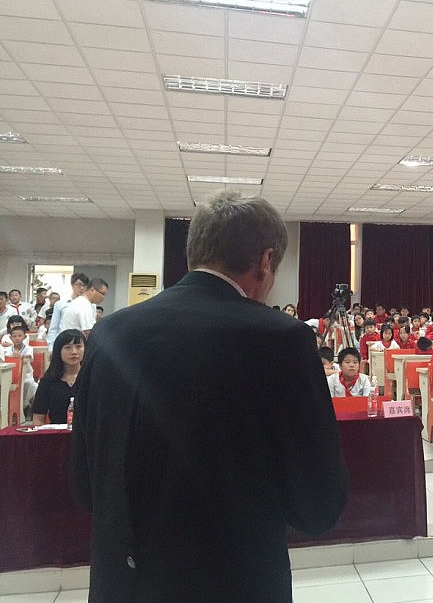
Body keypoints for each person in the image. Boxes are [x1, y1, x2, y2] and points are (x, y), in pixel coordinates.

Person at [71, 190, 347, 603]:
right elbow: (318, 504)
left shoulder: (111, 333)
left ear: (191, 253)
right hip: (233, 579)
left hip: (122, 581)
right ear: (266, 261)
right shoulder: (281, 339)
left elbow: (84, 482)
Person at [33, 329, 84, 425]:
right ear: (58, 351)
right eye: (68, 347)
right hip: (56, 436)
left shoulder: (91, 379)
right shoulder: (47, 382)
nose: (74, 352)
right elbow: (38, 418)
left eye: (78, 347)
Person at [46, 273, 88, 346]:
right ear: (72, 285)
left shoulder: (90, 305)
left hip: (82, 342)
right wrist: (51, 347)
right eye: (78, 285)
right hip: (64, 341)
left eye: (84, 286)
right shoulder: (60, 304)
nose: (81, 288)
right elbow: (53, 328)